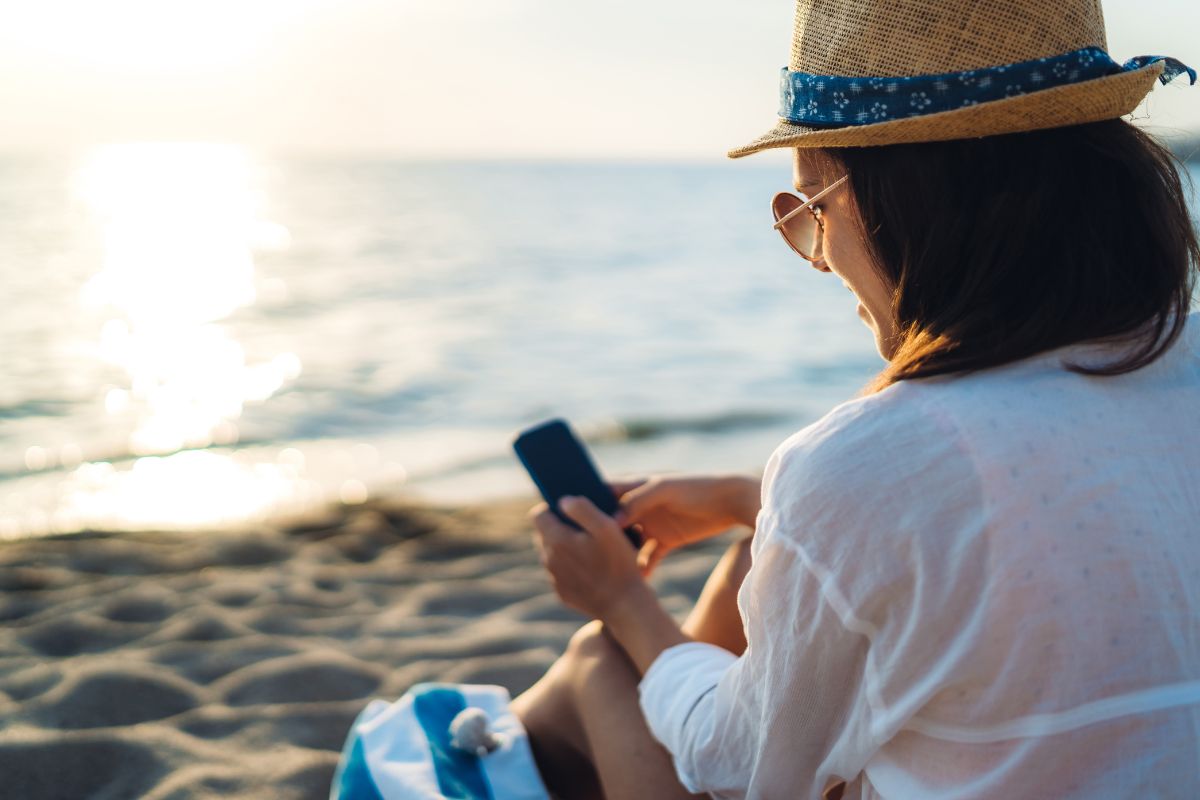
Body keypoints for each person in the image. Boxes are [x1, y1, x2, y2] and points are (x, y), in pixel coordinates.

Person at [512, 1, 1200, 797]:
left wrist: (620, 598)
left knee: (600, 659)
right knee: (749, 556)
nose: (821, 258)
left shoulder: (876, 457)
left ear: (900, 204)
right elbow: (1054, 531)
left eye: (808, 208)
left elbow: (737, 762)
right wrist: (753, 500)